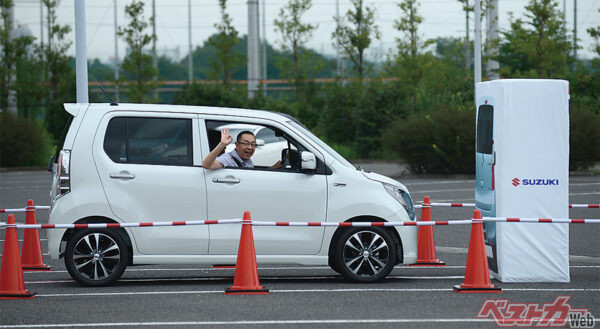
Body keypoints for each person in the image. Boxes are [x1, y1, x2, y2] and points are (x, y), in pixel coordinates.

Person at [202, 128, 282, 170]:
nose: (250, 147)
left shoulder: (247, 161)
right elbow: (206, 165)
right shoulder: (227, 159)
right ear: (237, 145)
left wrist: (272, 168)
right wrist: (221, 145)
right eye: (246, 143)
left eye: (253, 144)